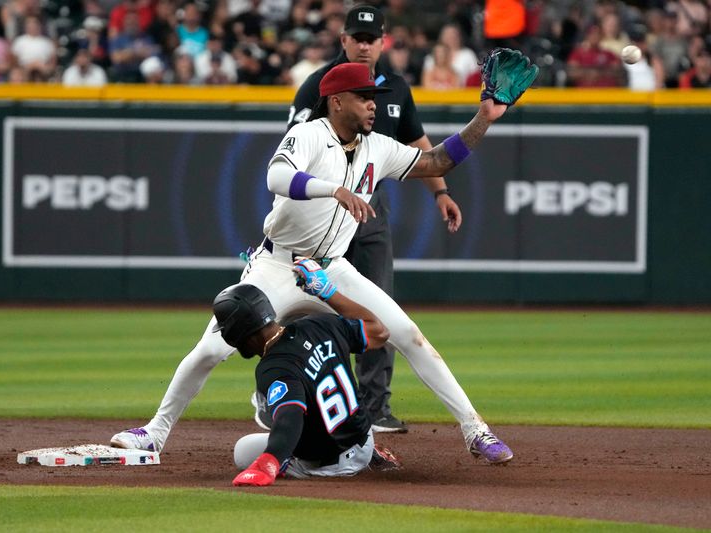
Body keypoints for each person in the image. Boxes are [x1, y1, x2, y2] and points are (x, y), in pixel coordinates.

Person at [110, 53, 538, 465]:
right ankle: (154, 433)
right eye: (363, 97)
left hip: (330, 267)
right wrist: (330, 188)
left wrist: (485, 118)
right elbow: (275, 176)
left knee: (408, 334)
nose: (374, 104)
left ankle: (475, 429)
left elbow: (437, 160)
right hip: (277, 266)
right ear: (336, 102)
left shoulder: (378, 146)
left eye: (374, 96)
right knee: (209, 349)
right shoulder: (310, 133)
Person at [283, 4, 462, 434]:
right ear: (343, 40)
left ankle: (375, 407)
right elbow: (292, 147)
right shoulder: (321, 86)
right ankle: (306, 396)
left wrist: (440, 191)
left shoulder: (395, 87)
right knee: (307, 306)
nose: (364, 45)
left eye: (372, 38)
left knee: (379, 302)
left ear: (383, 42)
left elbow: (420, 145)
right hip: (322, 212)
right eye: (357, 37)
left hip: (370, 209)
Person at [216, 263, 399, 486]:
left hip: (331, 465)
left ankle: (288, 461)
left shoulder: (273, 368)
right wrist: (328, 292)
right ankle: (371, 454)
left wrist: (269, 462)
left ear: (237, 334)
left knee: (243, 450)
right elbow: (380, 333)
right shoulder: (321, 324)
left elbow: (289, 418)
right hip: (364, 439)